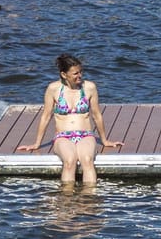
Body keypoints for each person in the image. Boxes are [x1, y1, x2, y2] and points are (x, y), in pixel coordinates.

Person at [17, 54, 122, 185]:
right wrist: (37, 143)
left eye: (81, 72)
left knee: (87, 160)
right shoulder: (53, 89)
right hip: (62, 136)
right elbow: (46, 116)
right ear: (64, 74)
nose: (80, 76)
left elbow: (96, 115)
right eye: (75, 73)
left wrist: (105, 140)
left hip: (86, 135)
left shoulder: (89, 87)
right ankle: (67, 200)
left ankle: (89, 201)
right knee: (69, 161)